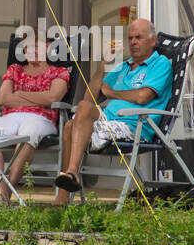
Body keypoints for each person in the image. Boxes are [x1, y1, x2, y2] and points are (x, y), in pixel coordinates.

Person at [53, 18, 172, 204]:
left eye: (138, 37)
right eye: (130, 38)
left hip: (134, 125)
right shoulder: (123, 66)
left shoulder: (161, 64)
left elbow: (143, 97)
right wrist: (103, 64)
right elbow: (90, 99)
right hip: (108, 120)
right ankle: (70, 178)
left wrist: (111, 92)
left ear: (152, 40)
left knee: (70, 126)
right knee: (79, 113)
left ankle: (65, 189)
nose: (133, 42)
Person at [0, 37, 70, 203]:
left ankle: (5, 193)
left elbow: (53, 97)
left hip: (41, 118)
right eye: (28, 47)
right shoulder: (15, 69)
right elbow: (4, 98)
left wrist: (19, 95)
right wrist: (38, 98)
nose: (32, 51)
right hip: (10, 117)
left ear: (48, 47)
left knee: (27, 136)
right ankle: (2, 194)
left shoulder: (60, 72)